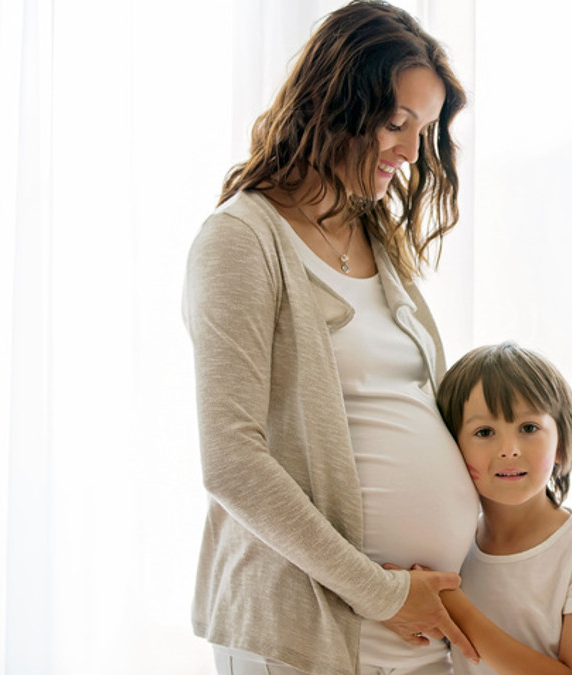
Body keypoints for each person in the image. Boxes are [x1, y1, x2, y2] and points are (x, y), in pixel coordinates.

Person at [182, 2, 481, 673]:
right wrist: (382, 593)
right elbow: (232, 461)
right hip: (301, 626)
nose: (410, 151)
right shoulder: (240, 240)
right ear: (332, 104)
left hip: (412, 626)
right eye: (396, 122)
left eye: (424, 129)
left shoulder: (375, 233)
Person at [431, 342, 572, 675]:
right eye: (485, 432)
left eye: (528, 428)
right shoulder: (454, 548)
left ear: (561, 443)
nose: (509, 450)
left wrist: (454, 606)